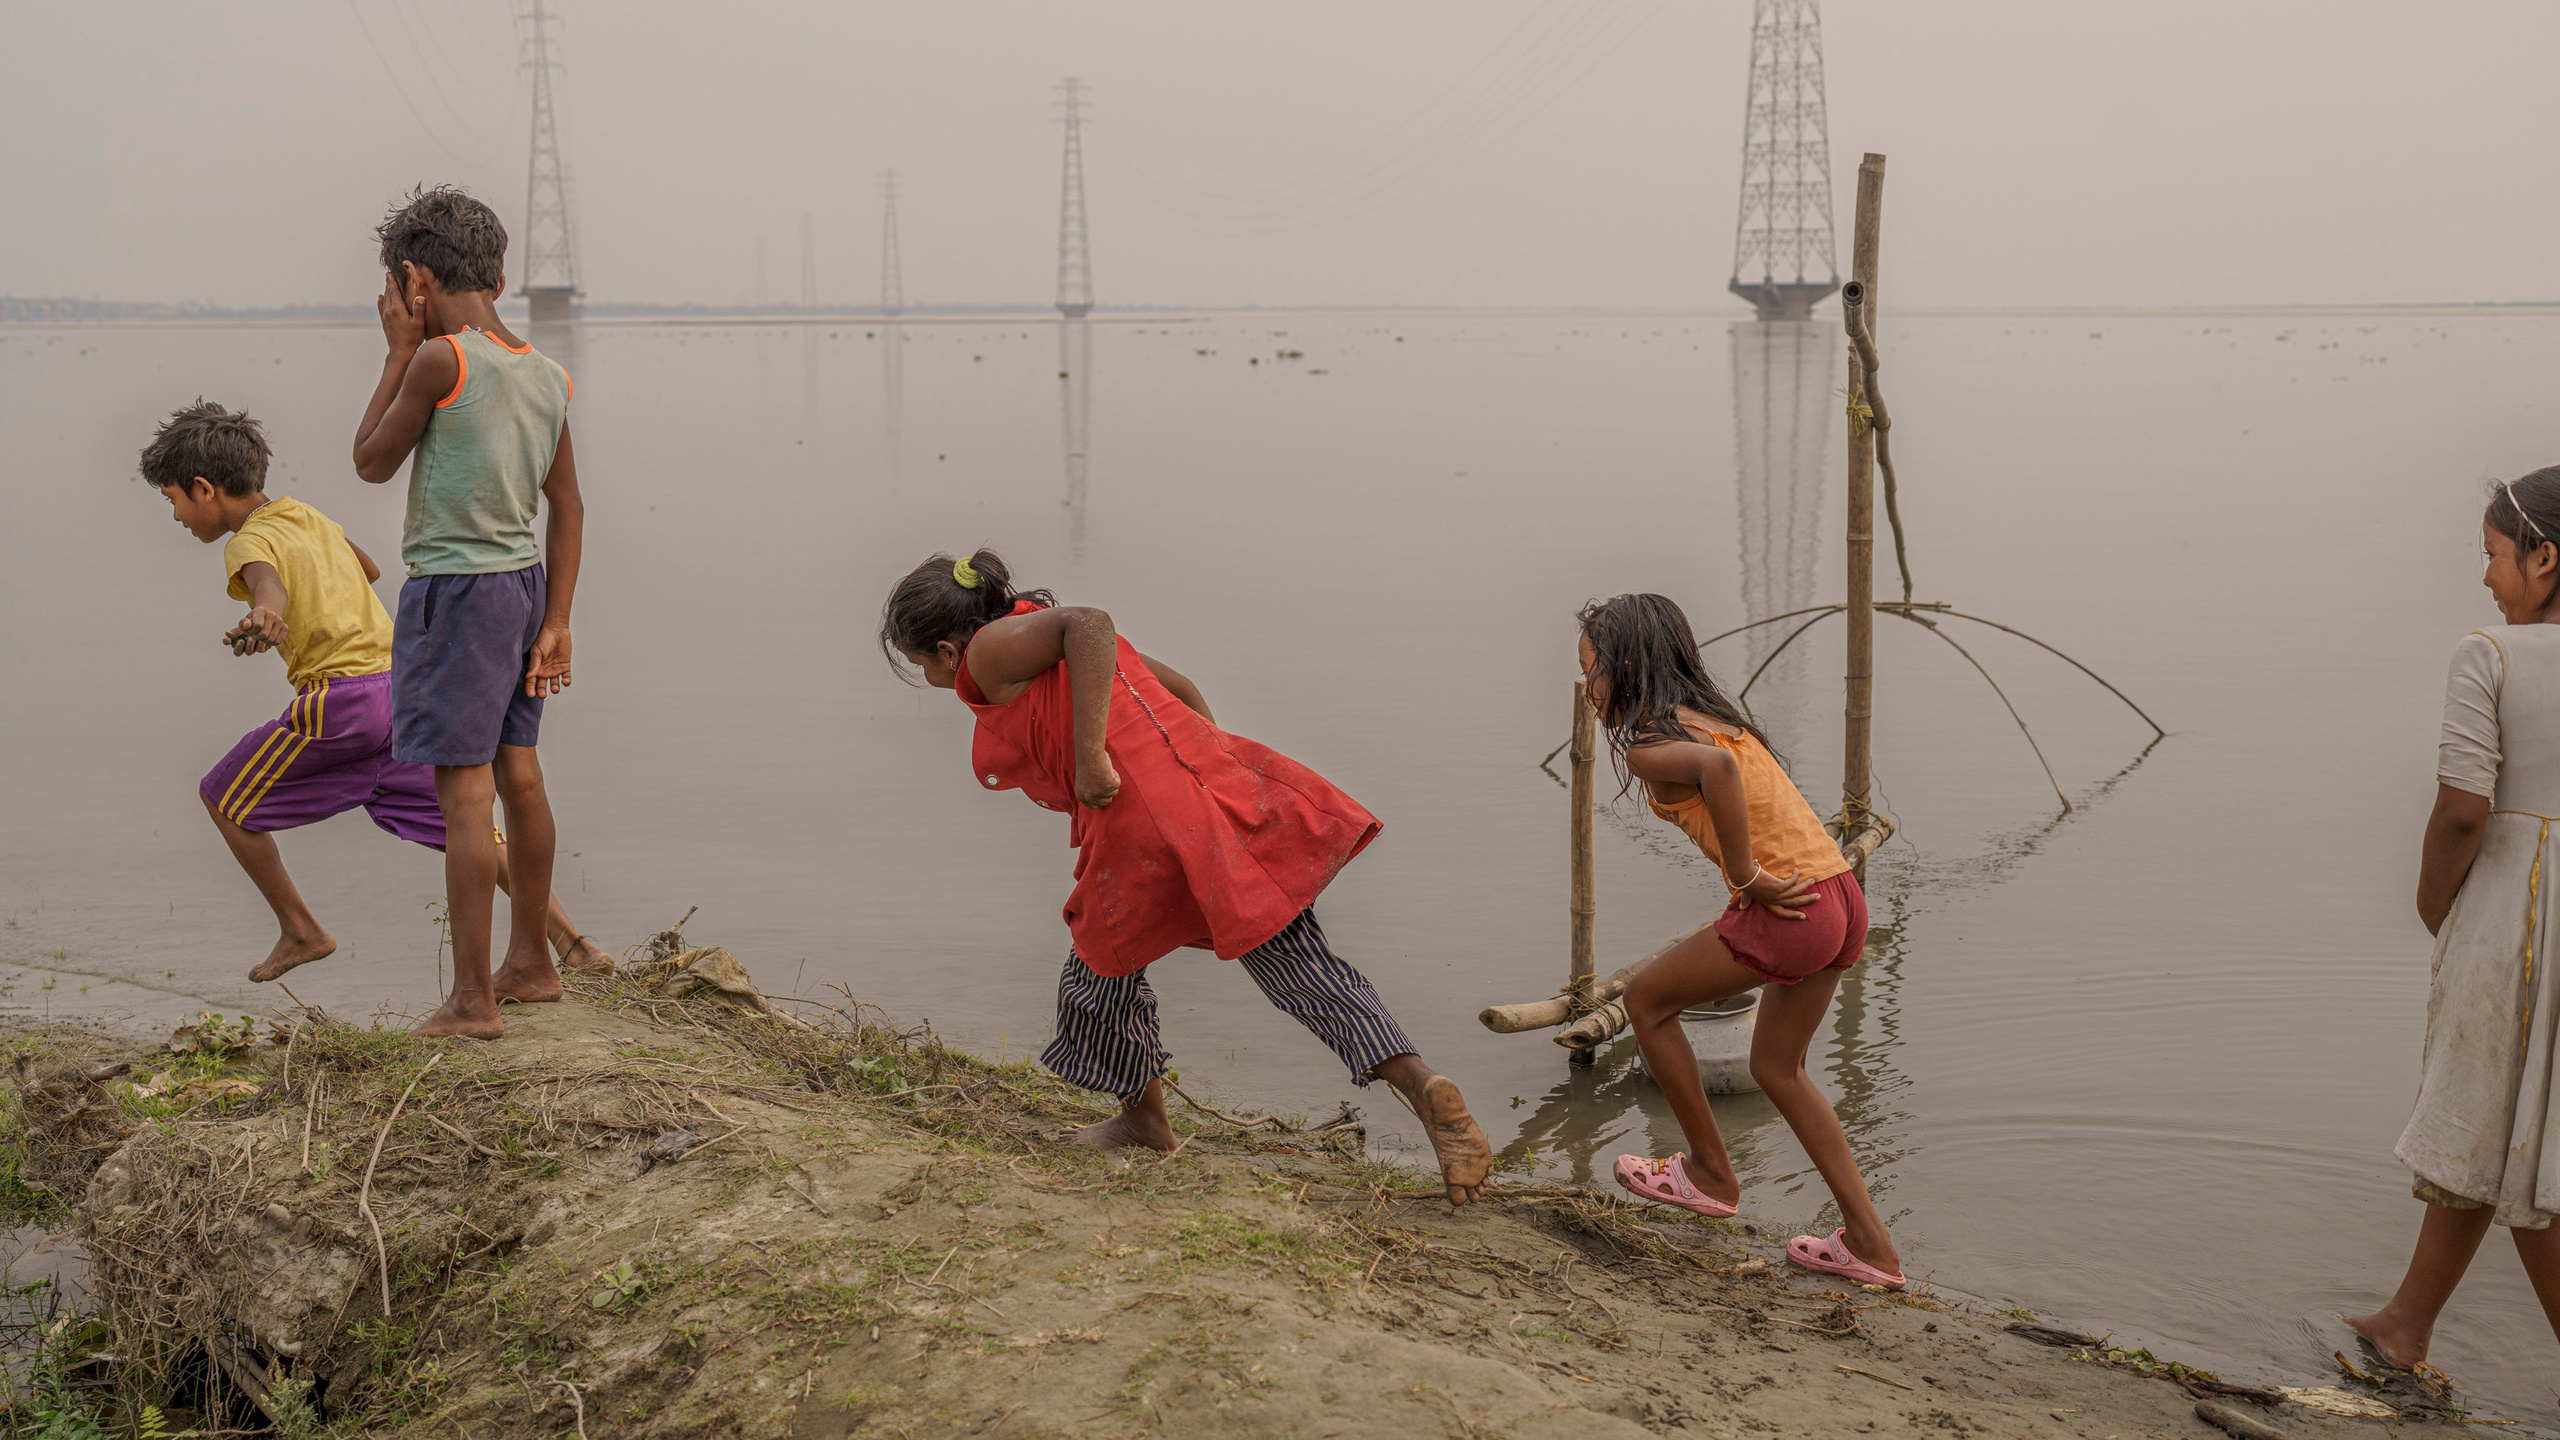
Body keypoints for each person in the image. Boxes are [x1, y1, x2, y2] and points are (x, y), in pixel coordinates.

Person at [879, 549, 1492, 1205]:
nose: (933, 676)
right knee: (1300, 965)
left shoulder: (988, 653)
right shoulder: (1025, 632)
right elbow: (1182, 688)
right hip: (1203, 800)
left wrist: (1091, 759)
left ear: (946, 650)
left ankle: (1144, 1123)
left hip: (1137, 822)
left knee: (1099, 970)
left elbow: (1087, 623)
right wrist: (1198, 769)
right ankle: (1422, 1085)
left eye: (921, 666)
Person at [140, 401, 611, 985]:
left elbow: (267, 586)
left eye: (173, 501)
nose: (178, 517)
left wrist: (267, 615)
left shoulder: (246, 544)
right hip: (400, 691)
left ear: (205, 489)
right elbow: (366, 570)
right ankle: (574, 945)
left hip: (338, 704)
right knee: (464, 827)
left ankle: (300, 929)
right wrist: (314, 589)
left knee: (222, 797)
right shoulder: (306, 516)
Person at [1579, 593, 1905, 1288]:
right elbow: (1729, 770)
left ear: (1627, 664)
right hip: (1841, 897)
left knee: (1646, 1002)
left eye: (1592, 671)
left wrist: (1744, 875)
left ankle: (1709, 1174)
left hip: (1791, 907)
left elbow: (1715, 775)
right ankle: (1871, 1245)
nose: (1589, 690)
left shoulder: (1649, 746)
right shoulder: (1719, 722)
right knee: (1779, 1071)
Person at [349, 185, 590, 1040]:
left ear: (414, 279)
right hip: (525, 586)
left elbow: (371, 463)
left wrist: (395, 352)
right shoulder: (545, 370)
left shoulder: (437, 361)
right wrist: (557, 618)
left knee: (463, 797)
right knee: (520, 772)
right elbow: (568, 505)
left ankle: (471, 1000)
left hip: (455, 594)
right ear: (496, 269)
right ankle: (531, 963)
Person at [2344, 469, 2560, 1369]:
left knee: (2526, 1151)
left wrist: (2438, 904)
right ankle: (2406, 1323)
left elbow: (2463, 810)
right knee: (2499, 1119)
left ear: (2546, 557)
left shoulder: (2492, 655)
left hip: (2520, 914)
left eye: (2495, 556)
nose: (2486, 578)